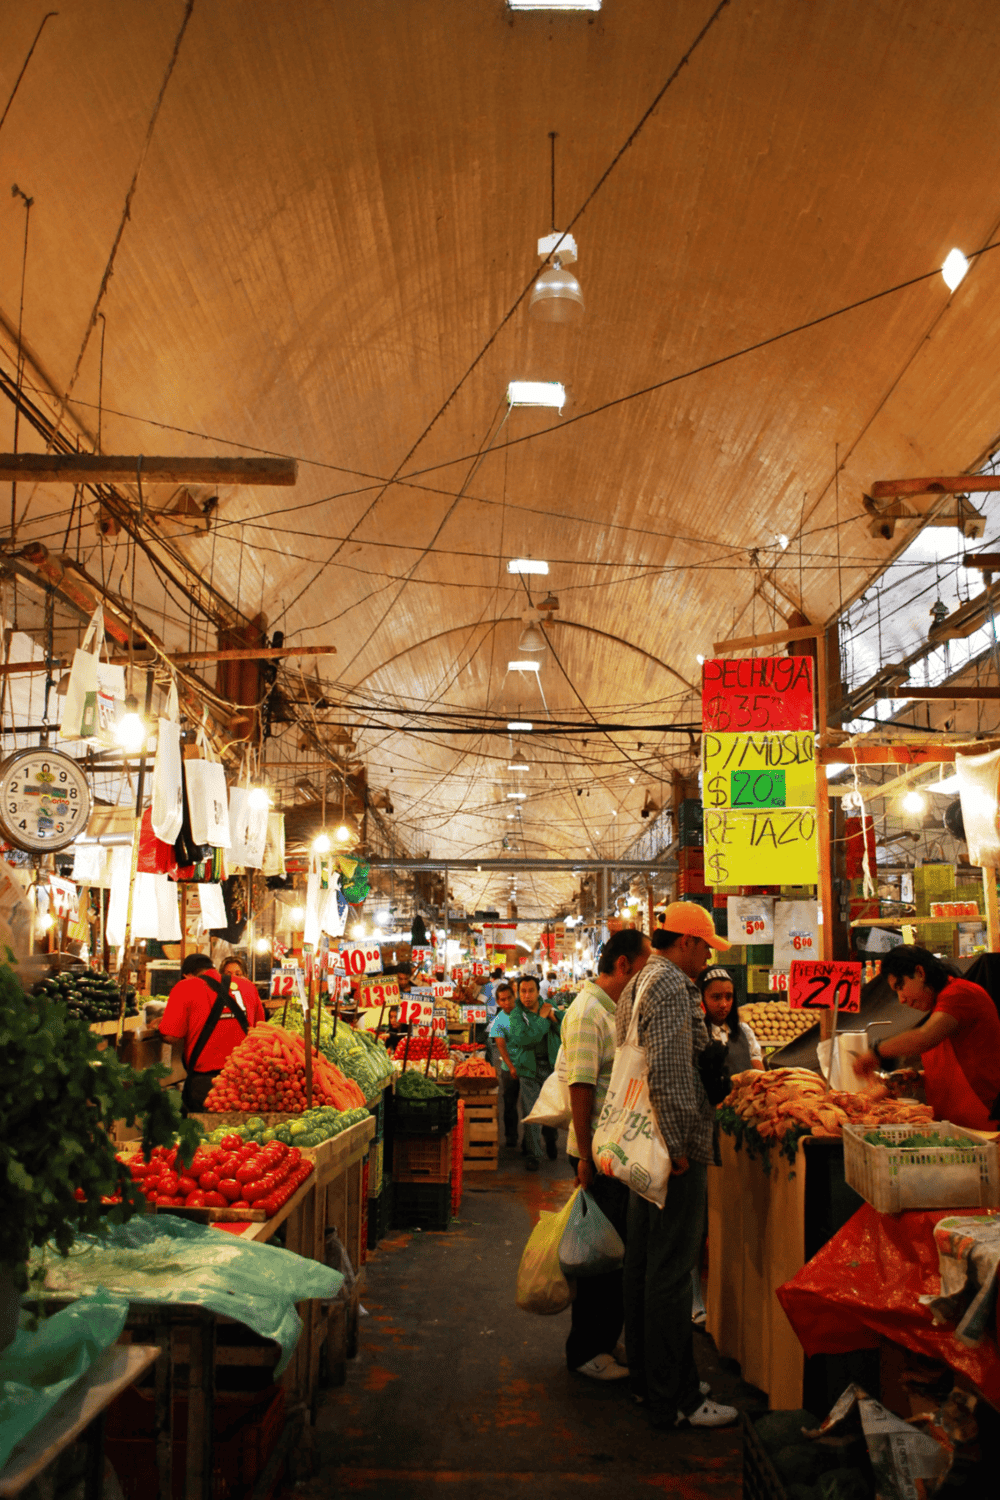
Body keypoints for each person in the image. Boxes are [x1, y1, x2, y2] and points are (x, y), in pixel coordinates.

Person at [623, 902, 739, 1431]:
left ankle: (654, 1380)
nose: (705, 961)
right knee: (671, 1275)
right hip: (669, 1149)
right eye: (705, 949)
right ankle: (677, 1398)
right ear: (687, 943)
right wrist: (680, 1146)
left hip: (639, 1145)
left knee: (647, 1268)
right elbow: (668, 1072)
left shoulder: (639, 981)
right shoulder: (673, 987)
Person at [563, 929, 651, 1381]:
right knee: (596, 1259)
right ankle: (585, 1351)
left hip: (610, 1151)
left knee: (611, 1253)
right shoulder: (586, 1014)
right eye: (642, 967)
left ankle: (601, 1340)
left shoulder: (610, 1011)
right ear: (623, 967)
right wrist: (583, 1155)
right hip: (595, 1154)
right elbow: (580, 1086)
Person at [854, 944, 1000, 1127]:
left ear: (920, 973)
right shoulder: (940, 1004)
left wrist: (876, 1052)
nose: (902, 999)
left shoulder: (960, 994)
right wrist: (918, 1077)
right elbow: (959, 1067)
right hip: (958, 1127)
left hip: (985, 1125)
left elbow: (924, 1037)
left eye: (901, 986)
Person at [160, 951, 265, 1113]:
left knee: (208, 1135)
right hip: (247, 1081)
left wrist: (158, 1025)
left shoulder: (185, 987)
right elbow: (260, 1030)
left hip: (207, 1085)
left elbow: (171, 1036)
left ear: (187, 975)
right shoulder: (247, 986)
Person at [506, 974, 565, 1171]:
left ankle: (551, 1139)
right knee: (531, 1112)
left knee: (551, 1109)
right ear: (518, 993)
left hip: (550, 1066)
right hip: (528, 1069)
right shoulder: (516, 1014)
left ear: (537, 991)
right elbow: (524, 1040)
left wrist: (553, 1018)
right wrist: (542, 1020)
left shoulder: (548, 1005)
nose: (527, 995)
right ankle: (533, 1154)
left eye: (530, 991)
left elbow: (564, 1027)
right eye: (523, 991)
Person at [697, 967, 763, 1074]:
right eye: (716, 997)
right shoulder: (694, 1034)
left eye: (729, 997)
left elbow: (758, 1069)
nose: (724, 1004)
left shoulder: (744, 1031)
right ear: (701, 998)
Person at [489, 983, 520, 1147]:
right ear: (498, 1002)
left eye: (509, 998)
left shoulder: (525, 1012)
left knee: (532, 1104)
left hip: (529, 1066)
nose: (507, 1002)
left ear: (514, 996)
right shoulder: (499, 1020)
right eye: (502, 1000)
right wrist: (512, 1067)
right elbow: (501, 1047)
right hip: (510, 1068)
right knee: (509, 1104)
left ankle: (532, 1142)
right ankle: (511, 1136)